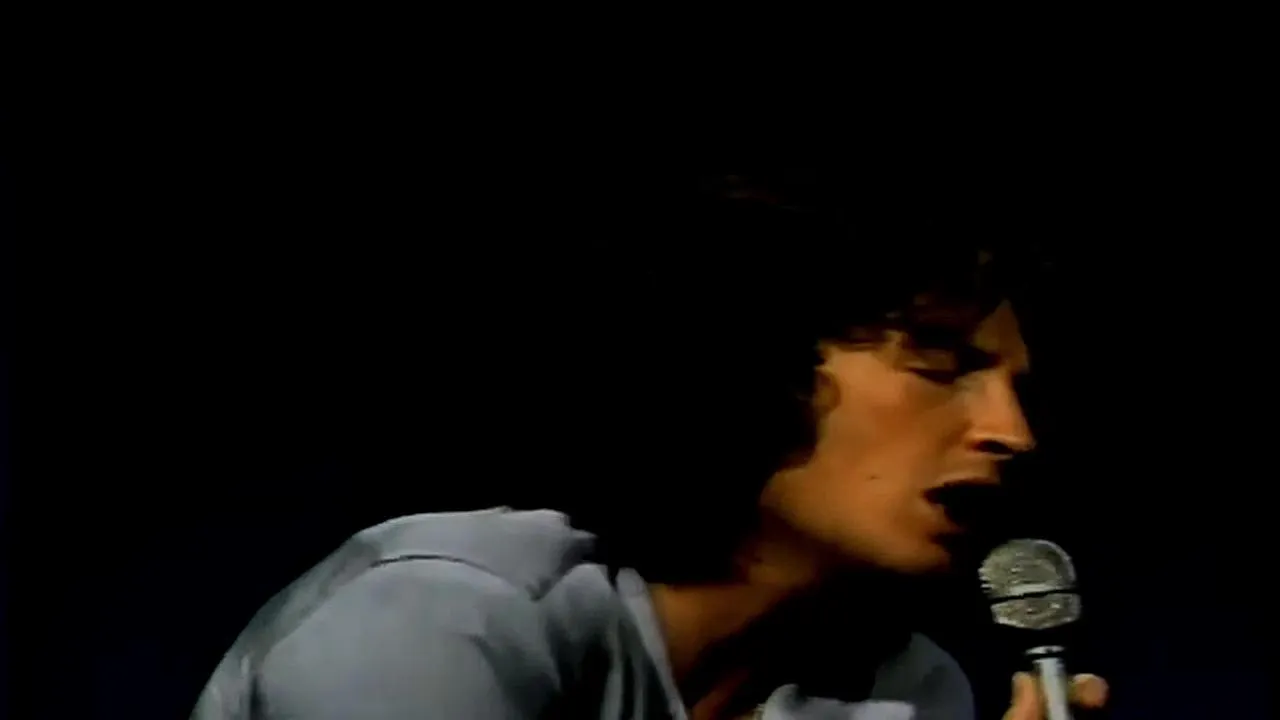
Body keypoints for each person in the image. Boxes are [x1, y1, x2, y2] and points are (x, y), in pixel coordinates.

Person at [191, 171, 1109, 719]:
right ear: (754, 358)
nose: (1013, 434)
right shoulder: (447, 615)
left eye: (1020, 391)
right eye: (942, 363)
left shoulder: (907, 692)